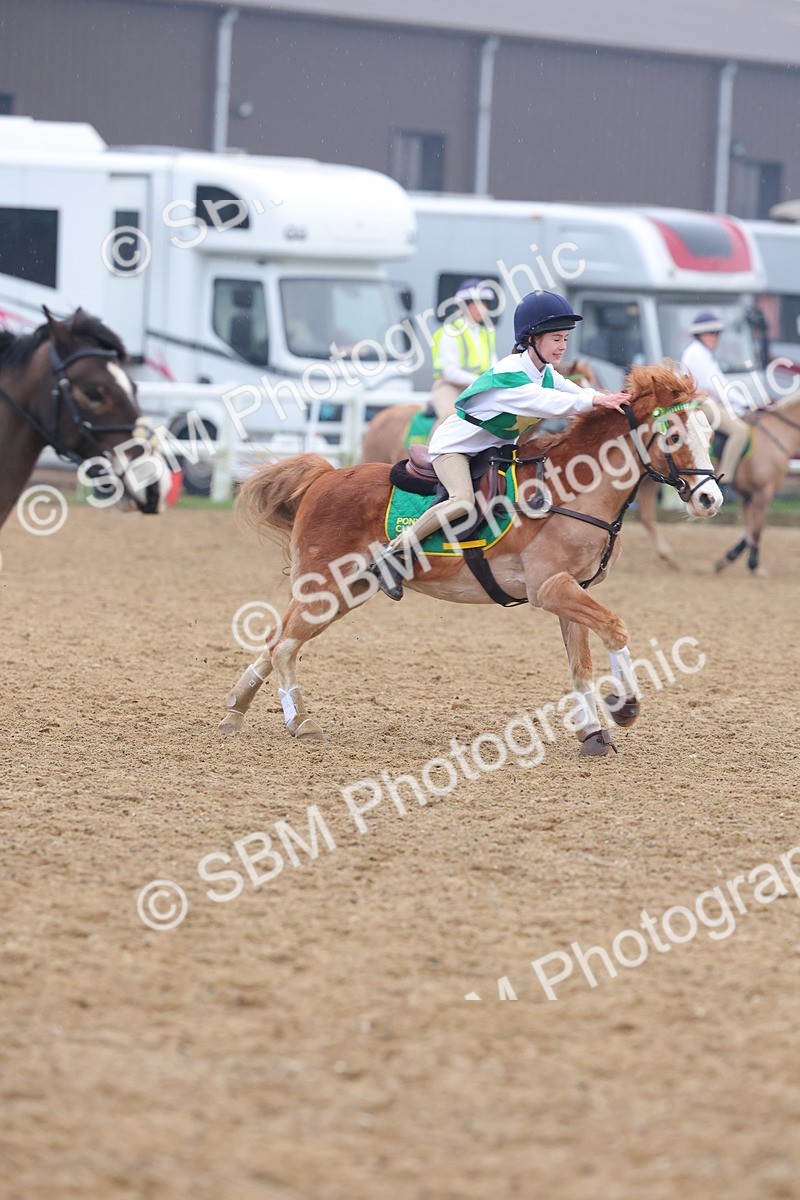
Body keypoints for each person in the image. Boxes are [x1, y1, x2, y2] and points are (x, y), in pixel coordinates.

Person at [368, 290, 630, 600]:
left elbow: (573, 392)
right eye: (556, 338)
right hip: (454, 449)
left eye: (565, 339)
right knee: (462, 501)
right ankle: (392, 553)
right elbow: (548, 402)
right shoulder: (511, 374)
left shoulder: (544, 372)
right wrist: (595, 399)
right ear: (532, 338)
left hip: (493, 452)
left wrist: (613, 401)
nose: (562, 346)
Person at [680, 311, 750, 500]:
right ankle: (726, 481)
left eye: (717, 333)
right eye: (712, 333)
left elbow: (721, 384)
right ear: (700, 335)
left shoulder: (702, 353)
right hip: (700, 404)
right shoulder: (696, 353)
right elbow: (716, 386)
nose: (716, 338)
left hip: (706, 402)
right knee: (741, 431)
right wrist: (745, 403)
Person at [429, 278, 498, 426]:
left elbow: (494, 366)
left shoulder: (486, 333)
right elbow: (450, 372)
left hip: (479, 388)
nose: (484, 309)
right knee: (451, 418)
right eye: (478, 304)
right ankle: (431, 449)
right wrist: (480, 381)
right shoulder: (450, 331)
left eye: (485, 304)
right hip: (449, 387)